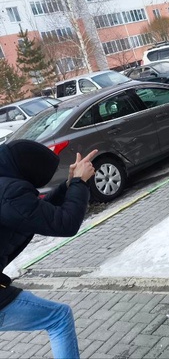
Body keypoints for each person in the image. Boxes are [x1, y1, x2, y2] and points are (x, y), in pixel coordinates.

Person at [0, 139, 98, 358]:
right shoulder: (9, 193)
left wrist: (69, 184)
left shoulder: (4, 188)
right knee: (59, 318)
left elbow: (37, 211)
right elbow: (65, 223)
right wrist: (81, 183)